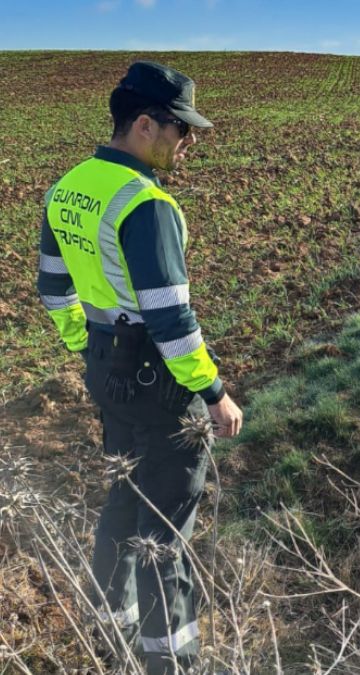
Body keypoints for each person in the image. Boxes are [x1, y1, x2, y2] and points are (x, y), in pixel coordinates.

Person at [36, 61, 243, 673]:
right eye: (183, 129)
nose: (191, 141)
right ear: (147, 124)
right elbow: (172, 323)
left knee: (123, 501)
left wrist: (92, 348)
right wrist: (214, 391)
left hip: (107, 371)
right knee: (165, 534)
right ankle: (171, 662)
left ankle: (111, 631)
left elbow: (53, 291)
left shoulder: (68, 187)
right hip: (159, 384)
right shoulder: (146, 205)